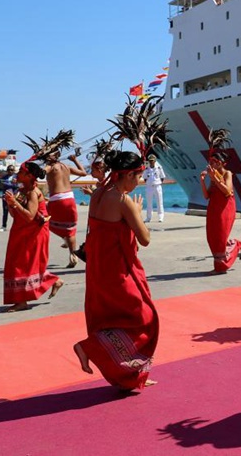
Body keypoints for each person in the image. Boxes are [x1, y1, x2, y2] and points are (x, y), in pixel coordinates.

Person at [72, 150, 159, 391]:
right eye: (138, 177)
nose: (139, 182)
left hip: (99, 268)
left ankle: (130, 377)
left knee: (112, 320)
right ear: (128, 174)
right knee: (144, 317)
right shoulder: (123, 201)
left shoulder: (99, 193)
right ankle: (88, 347)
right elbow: (145, 239)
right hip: (119, 270)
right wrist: (138, 215)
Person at [2, 162, 63, 312]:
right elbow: (15, 214)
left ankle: (22, 301)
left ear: (29, 176)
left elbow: (30, 216)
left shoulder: (33, 193)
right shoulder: (22, 190)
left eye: (21, 172)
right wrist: (10, 204)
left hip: (33, 233)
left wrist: (14, 202)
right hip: (21, 231)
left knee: (24, 265)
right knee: (18, 263)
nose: (18, 173)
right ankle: (53, 281)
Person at [201, 155, 241, 274]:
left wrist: (215, 178)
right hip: (213, 208)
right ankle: (238, 245)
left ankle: (221, 266)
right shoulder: (213, 177)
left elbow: (227, 191)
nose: (212, 164)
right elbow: (207, 196)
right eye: (210, 162)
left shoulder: (228, 173)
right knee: (212, 236)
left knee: (220, 236)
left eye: (214, 162)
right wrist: (202, 181)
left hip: (225, 208)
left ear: (221, 163)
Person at [45, 150, 88, 268]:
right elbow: (83, 173)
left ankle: (65, 240)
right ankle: (72, 254)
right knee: (70, 228)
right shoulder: (66, 166)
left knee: (45, 222)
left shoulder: (50, 167)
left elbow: (40, 172)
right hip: (69, 199)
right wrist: (75, 160)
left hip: (57, 200)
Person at [143, 154, 166, 223]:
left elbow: (162, 177)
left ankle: (160, 216)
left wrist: (158, 182)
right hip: (149, 187)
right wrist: (150, 183)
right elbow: (144, 178)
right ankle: (148, 217)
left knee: (159, 202)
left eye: (152, 160)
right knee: (149, 203)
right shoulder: (147, 169)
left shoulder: (159, 167)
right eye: (150, 161)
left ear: (155, 161)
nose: (151, 162)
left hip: (157, 186)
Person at [0, 165, 19, 231]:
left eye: (11, 170)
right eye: (9, 170)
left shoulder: (17, 177)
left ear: (14, 171)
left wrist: (15, 183)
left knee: (16, 212)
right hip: (6, 197)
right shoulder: (4, 177)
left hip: (14, 197)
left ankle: (17, 226)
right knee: (5, 212)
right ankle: (4, 226)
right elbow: (5, 184)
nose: (10, 171)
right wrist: (12, 183)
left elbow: (19, 186)